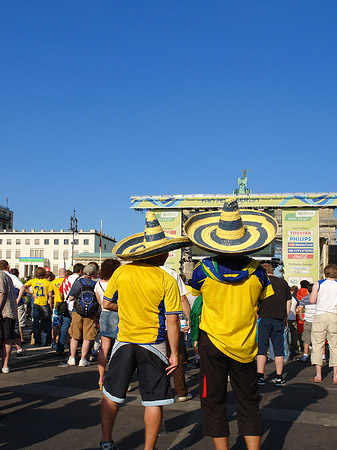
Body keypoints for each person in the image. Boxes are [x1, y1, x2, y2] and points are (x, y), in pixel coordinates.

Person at [184, 197, 277, 450]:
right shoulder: (258, 271)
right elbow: (262, 301)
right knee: (248, 401)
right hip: (246, 344)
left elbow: (197, 297)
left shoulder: (203, 270)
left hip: (211, 342)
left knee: (212, 399)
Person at [99, 211, 191, 450]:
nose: (168, 254)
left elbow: (107, 303)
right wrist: (174, 353)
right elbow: (172, 321)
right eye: (166, 250)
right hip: (153, 343)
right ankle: (149, 448)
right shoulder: (166, 279)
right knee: (154, 401)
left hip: (124, 341)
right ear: (157, 253)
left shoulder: (121, 272)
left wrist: (128, 305)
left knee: (111, 395)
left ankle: (106, 441)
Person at [161, 265, 192, 402]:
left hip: (152, 323)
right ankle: (181, 392)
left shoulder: (141, 271)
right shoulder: (171, 273)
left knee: (156, 359)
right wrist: (189, 317)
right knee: (176, 357)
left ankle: (160, 391)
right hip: (172, 322)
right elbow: (182, 299)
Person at [257, 264, 292, 387]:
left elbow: (255, 300)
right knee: (278, 348)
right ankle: (279, 377)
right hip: (279, 319)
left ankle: (260, 376)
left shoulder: (261, 282)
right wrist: (285, 315)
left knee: (261, 348)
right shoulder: (283, 283)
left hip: (264, 318)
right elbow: (289, 300)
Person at [309, 264, 337, 383]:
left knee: (317, 344)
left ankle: (318, 375)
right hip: (334, 315)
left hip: (320, 315)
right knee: (334, 345)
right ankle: (335, 376)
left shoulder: (319, 284)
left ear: (325, 272)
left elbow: (312, 300)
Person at [95, 258, 120, 390]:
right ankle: (118, 378)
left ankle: (101, 378)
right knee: (118, 347)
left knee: (104, 347)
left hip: (104, 314)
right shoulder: (117, 282)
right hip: (118, 314)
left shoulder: (98, 284)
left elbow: (100, 302)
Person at [67, 264, 98, 367]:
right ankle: (83, 359)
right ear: (94, 273)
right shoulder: (95, 284)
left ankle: (72, 357)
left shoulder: (78, 283)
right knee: (87, 337)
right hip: (90, 314)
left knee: (75, 336)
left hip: (77, 311)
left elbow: (71, 297)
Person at [56, 264, 83, 355]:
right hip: (76, 306)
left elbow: (60, 292)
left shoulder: (66, 279)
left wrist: (64, 299)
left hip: (67, 306)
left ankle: (60, 347)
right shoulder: (79, 280)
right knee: (78, 327)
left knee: (64, 327)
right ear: (80, 271)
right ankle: (79, 347)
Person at [25, 267, 52, 346]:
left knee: (36, 323)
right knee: (47, 322)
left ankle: (37, 340)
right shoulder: (48, 283)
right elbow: (50, 294)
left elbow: (23, 287)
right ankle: (48, 339)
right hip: (44, 303)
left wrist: (31, 293)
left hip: (36, 303)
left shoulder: (33, 281)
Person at [0, 270, 18, 373]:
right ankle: (5, 365)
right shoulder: (7, 276)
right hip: (9, 311)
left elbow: (2, 292)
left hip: (4, 312)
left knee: (5, 339)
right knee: (7, 339)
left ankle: (5, 364)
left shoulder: (0, 276)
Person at [48, 268, 66, 349]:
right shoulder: (67, 281)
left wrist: (50, 305)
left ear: (59, 273)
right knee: (66, 324)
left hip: (57, 305)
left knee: (55, 325)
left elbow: (50, 294)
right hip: (66, 304)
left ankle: (53, 341)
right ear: (65, 273)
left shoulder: (54, 282)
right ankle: (66, 342)